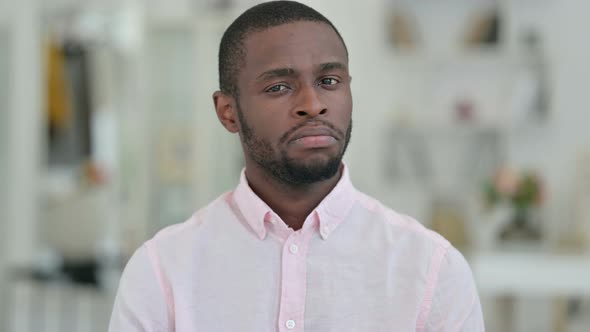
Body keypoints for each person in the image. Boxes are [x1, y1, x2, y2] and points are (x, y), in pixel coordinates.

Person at [108, 1, 485, 331]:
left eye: (329, 80)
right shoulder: (162, 271)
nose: (313, 103)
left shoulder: (432, 269)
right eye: (279, 87)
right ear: (228, 112)